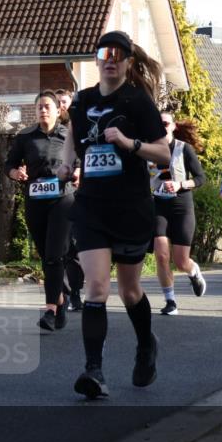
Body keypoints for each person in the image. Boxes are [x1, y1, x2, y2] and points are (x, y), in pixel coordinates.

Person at [55, 31, 169, 398]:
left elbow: (164, 155)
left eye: (119, 55)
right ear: (97, 58)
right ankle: (94, 371)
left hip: (131, 208)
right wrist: (66, 162)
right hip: (92, 207)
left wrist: (129, 143)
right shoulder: (83, 100)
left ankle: (146, 345)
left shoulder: (138, 101)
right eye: (105, 53)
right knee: (97, 287)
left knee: (129, 290)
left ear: (128, 63)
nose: (111, 60)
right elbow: (72, 134)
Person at [4, 91, 74, 331]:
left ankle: (50, 311)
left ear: (58, 111)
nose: (43, 110)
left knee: (54, 255)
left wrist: (77, 172)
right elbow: (9, 164)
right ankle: (61, 301)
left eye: (47, 106)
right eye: (39, 107)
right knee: (46, 257)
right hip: (35, 200)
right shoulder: (26, 137)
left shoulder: (68, 135)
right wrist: (16, 173)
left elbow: (80, 160)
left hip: (62, 200)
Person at [149, 112, 206, 315]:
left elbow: (200, 178)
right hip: (159, 206)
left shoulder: (183, 149)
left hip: (181, 206)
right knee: (161, 255)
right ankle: (170, 301)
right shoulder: (149, 149)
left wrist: (181, 184)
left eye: (165, 123)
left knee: (181, 261)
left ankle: (193, 271)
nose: (161, 127)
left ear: (173, 126)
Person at [55, 88, 84, 311]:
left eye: (63, 102)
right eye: (57, 102)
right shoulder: (46, 131)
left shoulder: (77, 127)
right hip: (52, 196)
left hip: (73, 194)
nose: (60, 106)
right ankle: (62, 294)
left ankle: (75, 292)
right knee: (58, 247)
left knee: (73, 247)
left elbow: (83, 152)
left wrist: (78, 169)